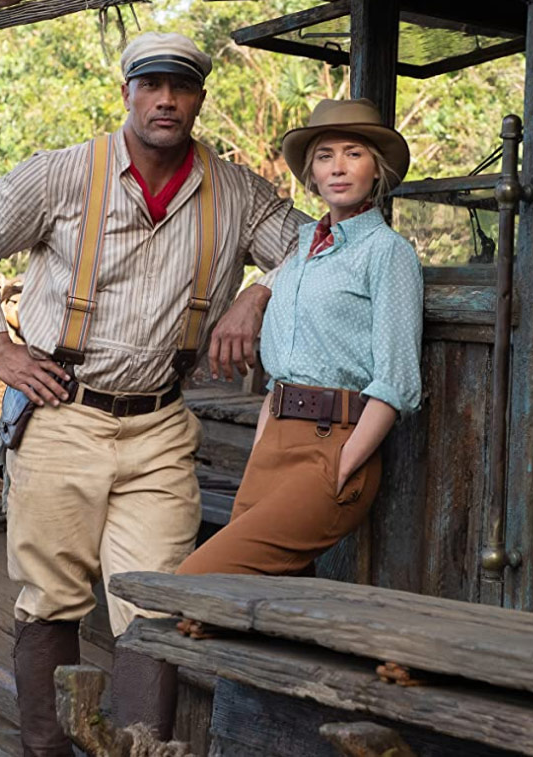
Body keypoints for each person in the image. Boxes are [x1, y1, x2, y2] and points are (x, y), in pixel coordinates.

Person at [0, 31, 310, 757]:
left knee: (154, 603)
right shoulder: (64, 174)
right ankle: (45, 749)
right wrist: (0, 347)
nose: (166, 99)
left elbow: (316, 246)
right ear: (127, 94)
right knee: (50, 598)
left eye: (182, 87)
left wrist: (260, 291)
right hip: (61, 413)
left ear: (200, 99)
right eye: (152, 85)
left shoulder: (234, 191)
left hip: (160, 425)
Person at [176, 98, 423, 583]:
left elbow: (396, 380)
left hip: (335, 446)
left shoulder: (388, 253)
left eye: (354, 153)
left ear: (377, 169)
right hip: (273, 444)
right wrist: (265, 442)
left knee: (200, 582)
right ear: (311, 173)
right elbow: (280, 368)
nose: (338, 167)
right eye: (325, 156)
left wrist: (344, 464)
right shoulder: (302, 250)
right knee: (270, 603)